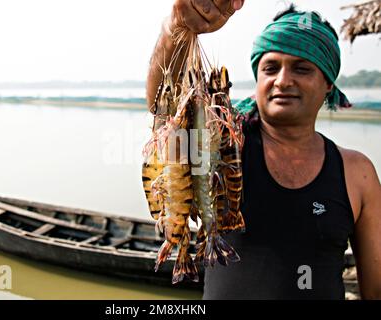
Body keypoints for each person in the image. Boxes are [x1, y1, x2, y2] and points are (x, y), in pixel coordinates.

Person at [146, 0, 381, 299]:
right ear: (258, 78)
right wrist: (176, 27)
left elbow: (375, 289)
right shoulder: (224, 145)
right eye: (270, 67)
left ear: (328, 85)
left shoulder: (357, 172)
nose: (283, 80)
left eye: (302, 68)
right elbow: (164, 109)